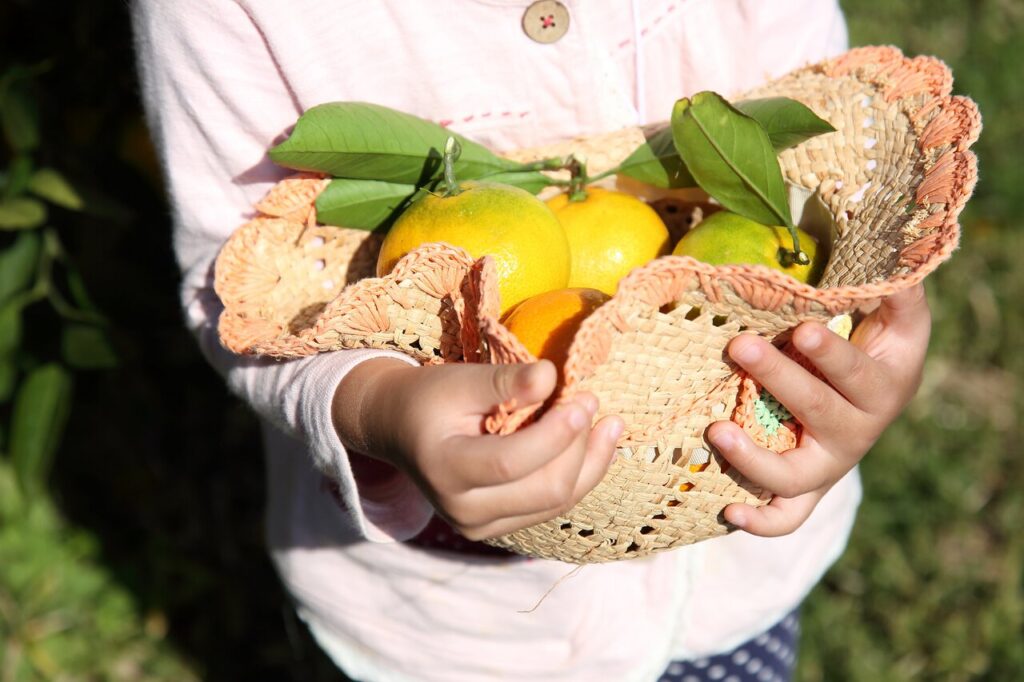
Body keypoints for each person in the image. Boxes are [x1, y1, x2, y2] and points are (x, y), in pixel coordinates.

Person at [131, 1, 931, 680]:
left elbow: (833, 143)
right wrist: (379, 407)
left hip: (733, 576)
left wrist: (871, 350)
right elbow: (239, 283)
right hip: (452, 634)